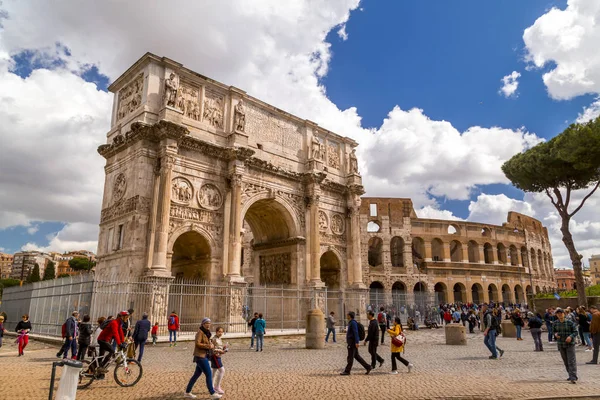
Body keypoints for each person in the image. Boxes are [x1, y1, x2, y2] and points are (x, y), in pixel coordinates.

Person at [184, 318, 221, 399]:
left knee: (196, 375)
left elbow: (206, 342)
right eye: (207, 323)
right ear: (203, 324)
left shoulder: (206, 333)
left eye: (209, 323)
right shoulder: (200, 332)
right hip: (200, 356)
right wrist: (208, 346)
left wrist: (211, 344)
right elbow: (197, 343)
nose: (209, 324)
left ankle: (187, 392)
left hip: (204, 355)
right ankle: (212, 393)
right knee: (209, 373)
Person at [97, 311, 129, 376]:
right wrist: (119, 344)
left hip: (105, 340)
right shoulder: (114, 323)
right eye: (126, 317)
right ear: (121, 317)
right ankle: (101, 367)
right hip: (102, 340)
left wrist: (123, 341)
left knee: (100, 357)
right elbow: (115, 333)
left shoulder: (118, 323)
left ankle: (98, 373)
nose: (127, 319)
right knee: (112, 351)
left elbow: (120, 333)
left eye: (127, 317)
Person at [340, 311, 371, 375]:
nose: (346, 315)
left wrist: (357, 342)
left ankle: (347, 371)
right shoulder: (351, 322)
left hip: (352, 342)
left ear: (350, 316)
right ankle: (368, 367)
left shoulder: (353, 323)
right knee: (357, 356)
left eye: (347, 314)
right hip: (352, 342)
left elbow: (355, 332)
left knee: (350, 357)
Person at [553, 307, 578, 383]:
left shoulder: (570, 323)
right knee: (566, 361)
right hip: (561, 343)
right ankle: (570, 374)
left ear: (564, 314)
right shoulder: (555, 323)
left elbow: (575, 332)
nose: (560, 315)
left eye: (561, 313)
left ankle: (573, 377)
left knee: (571, 360)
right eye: (558, 314)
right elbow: (554, 332)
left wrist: (571, 336)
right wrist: (556, 334)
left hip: (570, 344)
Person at [210, 326, 228, 395]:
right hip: (215, 356)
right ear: (216, 332)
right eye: (219, 331)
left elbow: (218, 346)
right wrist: (221, 350)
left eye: (222, 332)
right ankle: (217, 387)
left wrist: (224, 348)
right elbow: (213, 349)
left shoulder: (219, 338)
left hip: (218, 355)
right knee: (222, 370)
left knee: (214, 371)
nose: (220, 333)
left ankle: (211, 387)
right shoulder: (214, 339)